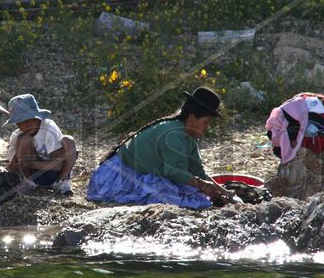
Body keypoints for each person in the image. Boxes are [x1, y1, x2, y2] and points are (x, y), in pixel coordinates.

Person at [87, 87, 232, 208]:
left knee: (194, 195)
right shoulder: (172, 133)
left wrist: (223, 190)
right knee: (186, 201)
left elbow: (197, 170)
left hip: (145, 174)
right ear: (192, 118)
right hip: (119, 176)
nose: (207, 127)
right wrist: (203, 185)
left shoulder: (190, 137)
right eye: (205, 122)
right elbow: (174, 172)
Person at [4, 94, 77, 196]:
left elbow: (57, 165)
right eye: (19, 123)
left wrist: (29, 163)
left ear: (37, 117)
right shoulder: (18, 135)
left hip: (56, 173)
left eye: (27, 121)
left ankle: (62, 182)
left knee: (68, 140)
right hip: (34, 174)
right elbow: (13, 165)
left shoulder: (48, 127)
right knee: (23, 138)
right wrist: (19, 163)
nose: (24, 126)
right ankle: (28, 182)